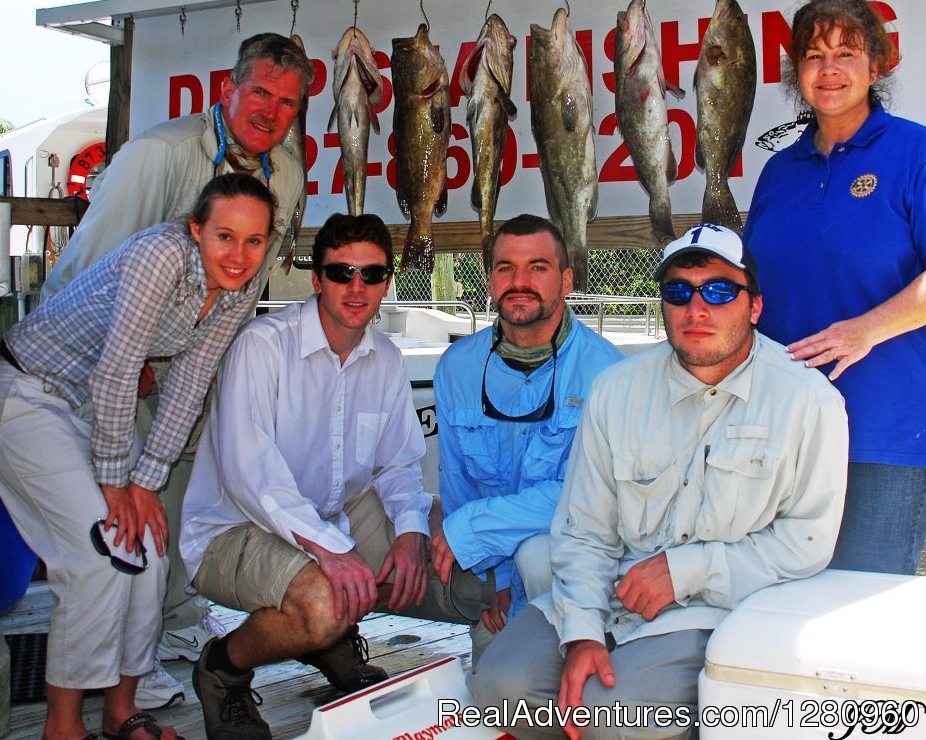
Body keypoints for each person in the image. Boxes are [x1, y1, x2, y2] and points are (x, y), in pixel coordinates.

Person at [468, 223, 848, 740]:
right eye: (678, 292)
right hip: (609, 592)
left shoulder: (809, 401)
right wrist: (581, 633)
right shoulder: (615, 389)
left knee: (611, 712)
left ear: (754, 307)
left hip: (716, 608)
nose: (697, 309)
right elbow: (584, 529)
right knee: (500, 690)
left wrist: (684, 571)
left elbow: (806, 543)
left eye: (719, 290)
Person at [41, 32, 313, 707]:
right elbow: (85, 265)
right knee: (124, 514)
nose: (271, 111)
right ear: (229, 86)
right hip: (122, 366)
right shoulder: (158, 154)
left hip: (199, 365)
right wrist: (116, 358)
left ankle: (172, 627)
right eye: (260, 93)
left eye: (287, 101)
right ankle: (117, 667)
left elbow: (250, 279)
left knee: (177, 498)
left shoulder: (286, 170)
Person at [0, 173, 276, 740]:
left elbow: (189, 381)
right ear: (197, 230)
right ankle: (62, 726)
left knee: (149, 548)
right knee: (100, 552)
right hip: (30, 393)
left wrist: (146, 485)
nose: (239, 255)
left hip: (89, 408)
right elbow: (120, 369)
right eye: (225, 237)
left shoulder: (241, 280)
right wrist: (122, 485)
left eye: (254, 241)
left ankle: (122, 708)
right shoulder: (160, 255)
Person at [181, 213, 445, 740]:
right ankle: (223, 669)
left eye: (371, 274)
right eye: (341, 272)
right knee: (323, 603)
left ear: (387, 282)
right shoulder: (263, 345)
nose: (357, 286)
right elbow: (250, 475)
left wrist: (413, 533)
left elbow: (397, 465)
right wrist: (332, 549)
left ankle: (330, 639)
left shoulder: (387, 359)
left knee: (437, 540)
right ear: (316, 278)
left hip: (322, 518)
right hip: (233, 528)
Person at [744, 0, 926, 575]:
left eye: (846, 52)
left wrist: (865, 331)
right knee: (772, 608)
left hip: (880, 434)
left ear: (877, 64)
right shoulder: (778, 172)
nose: (829, 69)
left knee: (854, 618)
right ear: (795, 71)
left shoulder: (913, 152)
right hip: (778, 436)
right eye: (814, 55)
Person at [430, 214, 623, 662]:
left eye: (537, 267)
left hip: (577, 570)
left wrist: (474, 533)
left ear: (567, 279)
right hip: (494, 574)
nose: (520, 282)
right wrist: (491, 575)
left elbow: (589, 497)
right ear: (491, 279)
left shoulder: (609, 374)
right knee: (493, 696)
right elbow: (457, 482)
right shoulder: (456, 367)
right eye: (505, 268)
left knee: (539, 555)